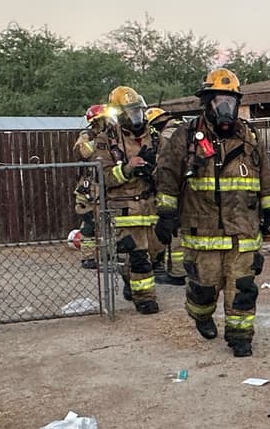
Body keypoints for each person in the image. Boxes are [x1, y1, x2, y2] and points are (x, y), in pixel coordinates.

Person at [153, 68, 270, 357]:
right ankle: (201, 315)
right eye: (219, 101)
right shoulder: (185, 137)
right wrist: (166, 214)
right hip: (202, 232)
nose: (225, 108)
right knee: (203, 290)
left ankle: (240, 336)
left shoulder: (251, 138)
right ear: (206, 103)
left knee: (243, 288)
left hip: (243, 231)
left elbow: (266, 177)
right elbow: (167, 176)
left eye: (230, 101)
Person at [93, 86, 159, 314]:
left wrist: (153, 168)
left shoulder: (154, 136)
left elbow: (168, 167)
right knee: (139, 256)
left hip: (151, 205)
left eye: (138, 112)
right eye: (130, 113)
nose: (136, 118)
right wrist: (129, 168)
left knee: (154, 254)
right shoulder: (106, 140)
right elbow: (103, 176)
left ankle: (130, 279)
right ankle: (145, 299)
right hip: (125, 207)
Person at [145, 106, 187, 286]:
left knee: (174, 228)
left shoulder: (167, 135)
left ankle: (177, 273)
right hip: (190, 187)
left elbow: (166, 165)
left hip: (175, 187)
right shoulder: (184, 129)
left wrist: (151, 169)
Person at [72, 103, 106, 270]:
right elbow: (82, 152)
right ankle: (88, 257)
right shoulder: (87, 136)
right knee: (89, 224)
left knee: (108, 223)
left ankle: (108, 255)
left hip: (106, 185)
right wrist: (97, 141)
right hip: (89, 188)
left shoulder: (114, 135)